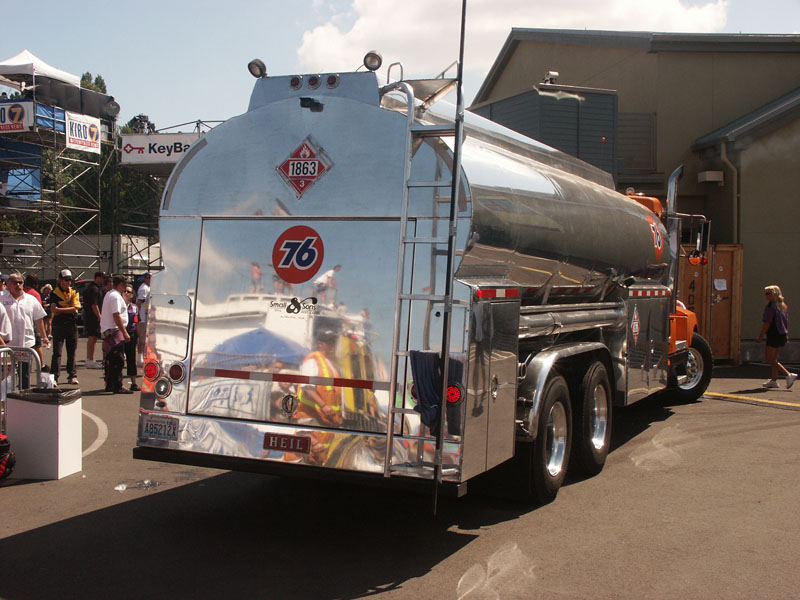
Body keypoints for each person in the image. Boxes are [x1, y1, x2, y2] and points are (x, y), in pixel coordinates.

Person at [1, 273, 48, 389]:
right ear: (8, 284)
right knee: (6, 377)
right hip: (7, 345)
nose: (18, 285)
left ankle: (23, 401)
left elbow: (38, 319)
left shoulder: (31, 299)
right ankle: (6, 402)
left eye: (20, 282)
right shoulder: (1, 298)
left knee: (25, 376)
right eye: (14, 282)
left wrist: (44, 337)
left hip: (26, 345)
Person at [295, 324, 343, 425]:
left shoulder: (330, 363)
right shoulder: (313, 360)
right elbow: (307, 387)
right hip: (311, 417)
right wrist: (324, 405)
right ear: (320, 344)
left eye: (334, 342)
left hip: (326, 418)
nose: (332, 345)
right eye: (329, 343)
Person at [757, 285, 796, 389]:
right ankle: (774, 380)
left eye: (768, 293)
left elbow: (767, 323)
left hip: (773, 334)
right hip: (781, 334)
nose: (766, 296)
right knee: (774, 358)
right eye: (766, 293)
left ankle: (788, 374)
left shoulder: (771, 307)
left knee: (769, 359)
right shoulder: (782, 306)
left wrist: (761, 336)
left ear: (773, 294)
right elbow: (785, 322)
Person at [48, 269, 81, 385]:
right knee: (57, 352)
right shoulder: (54, 293)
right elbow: (53, 311)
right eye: (66, 280)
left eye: (69, 280)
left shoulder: (74, 291)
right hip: (58, 326)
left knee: (72, 352)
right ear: (61, 280)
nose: (68, 282)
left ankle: (72, 375)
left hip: (71, 325)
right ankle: (54, 377)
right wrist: (68, 308)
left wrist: (60, 309)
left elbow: (75, 309)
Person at [100, 275, 132, 394]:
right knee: (118, 359)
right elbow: (116, 314)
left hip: (110, 330)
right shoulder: (115, 296)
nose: (126, 287)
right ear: (120, 285)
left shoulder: (111, 294)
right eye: (125, 284)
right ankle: (117, 385)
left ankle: (110, 383)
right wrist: (124, 332)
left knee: (111, 359)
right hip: (114, 331)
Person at [22, 274, 45, 370]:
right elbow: (38, 313)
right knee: (37, 345)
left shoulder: (18, 291)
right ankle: (41, 364)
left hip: (20, 323)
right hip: (32, 324)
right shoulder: (35, 294)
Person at [83, 271, 105, 369]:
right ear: (98, 277)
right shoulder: (94, 289)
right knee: (93, 337)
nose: (104, 279)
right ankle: (90, 359)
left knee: (93, 338)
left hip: (90, 316)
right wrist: (99, 317)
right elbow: (94, 305)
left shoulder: (92, 288)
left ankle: (89, 359)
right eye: (103, 277)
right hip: (93, 317)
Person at [123, 283, 140, 391]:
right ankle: (117, 382)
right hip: (120, 334)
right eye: (124, 291)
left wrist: (140, 337)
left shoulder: (134, 308)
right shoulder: (119, 305)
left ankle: (133, 382)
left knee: (131, 359)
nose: (126, 293)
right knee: (119, 359)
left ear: (132, 295)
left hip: (131, 334)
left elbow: (137, 321)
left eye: (128, 292)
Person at [135, 272, 151, 366]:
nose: (150, 280)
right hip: (142, 317)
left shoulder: (148, 288)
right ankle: (140, 358)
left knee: (145, 338)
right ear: (145, 278)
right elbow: (139, 303)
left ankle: (142, 356)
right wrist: (137, 316)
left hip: (146, 317)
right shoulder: (144, 288)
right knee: (141, 338)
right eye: (148, 278)